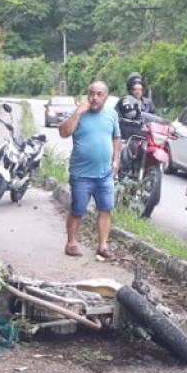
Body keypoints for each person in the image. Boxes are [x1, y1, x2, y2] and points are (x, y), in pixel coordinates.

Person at [58, 80, 122, 261]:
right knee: (77, 210)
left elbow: (117, 138)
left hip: (105, 174)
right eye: (91, 93)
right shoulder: (79, 113)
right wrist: (78, 112)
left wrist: (116, 160)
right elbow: (63, 132)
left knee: (106, 209)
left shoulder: (112, 115)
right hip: (81, 174)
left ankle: (102, 246)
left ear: (106, 97)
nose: (94, 98)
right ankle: (71, 243)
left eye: (99, 94)